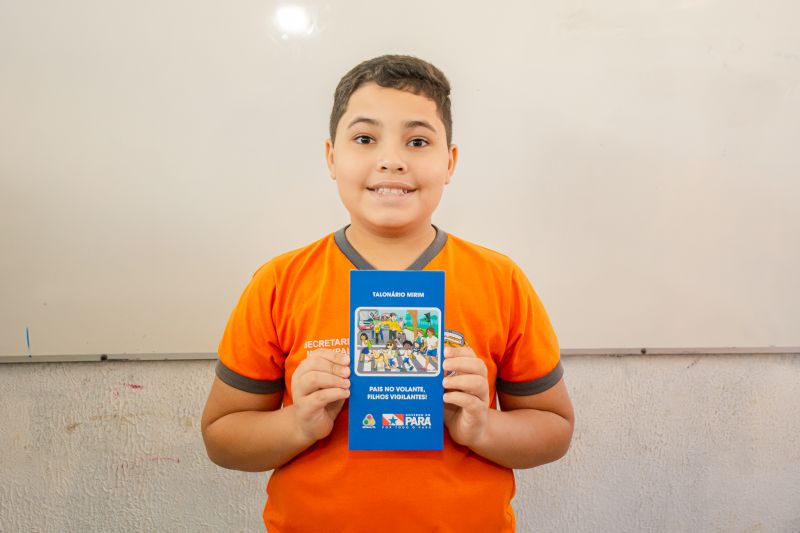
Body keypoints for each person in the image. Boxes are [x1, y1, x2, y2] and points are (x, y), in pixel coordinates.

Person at [201, 54, 574, 532]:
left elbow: (554, 429)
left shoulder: (500, 281)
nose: (391, 159)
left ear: (449, 162)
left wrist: (483, 426)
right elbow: (221, 438)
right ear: (332, 157)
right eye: (364, 139)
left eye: (418, 141)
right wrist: (297, 424)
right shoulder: (279, 282)